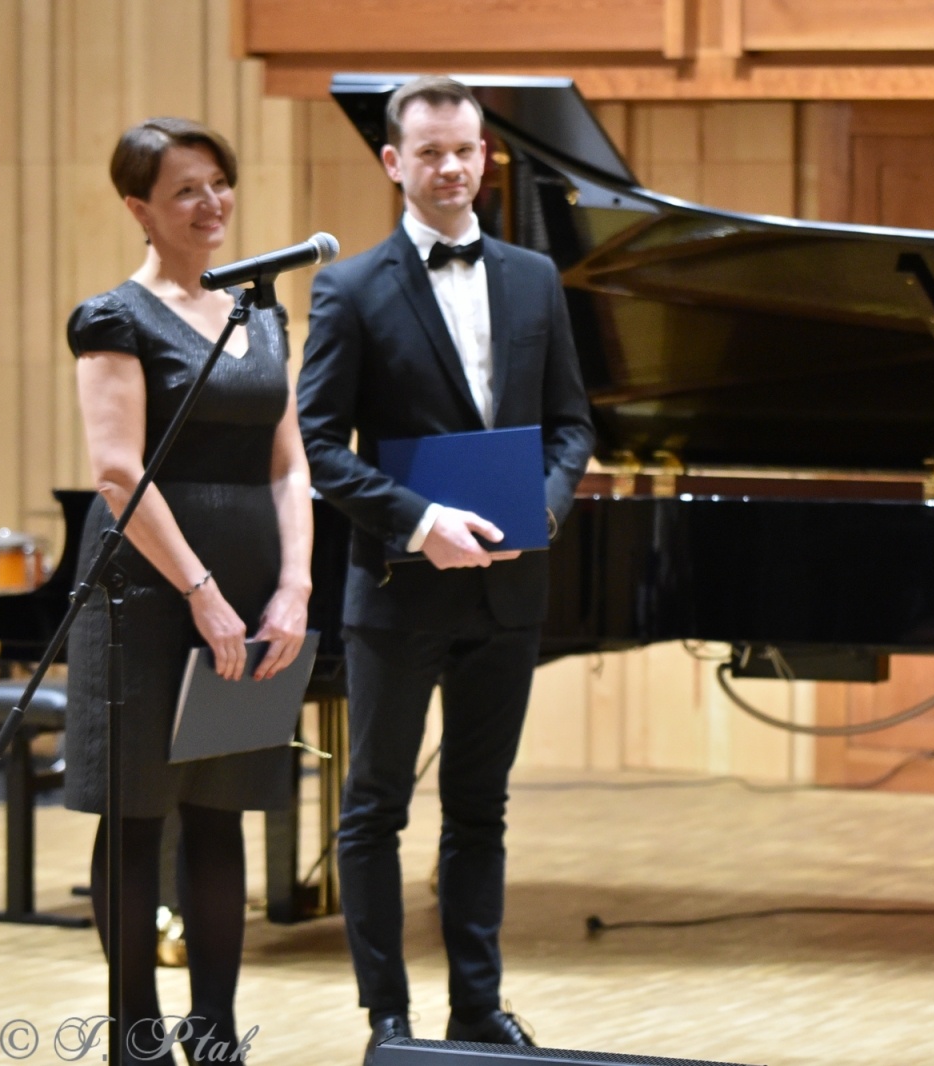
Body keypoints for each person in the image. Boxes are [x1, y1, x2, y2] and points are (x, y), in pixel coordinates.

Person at [296, 75, 594, 1063]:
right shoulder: (348, 288)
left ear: (485, 154)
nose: (452, 166)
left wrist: (540, 509)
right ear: (393, 162)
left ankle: (478, 1006)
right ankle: (387, 1016)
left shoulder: (534, 277)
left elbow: (571, 425)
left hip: (507, 586)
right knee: (375, 804)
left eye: (465, 149)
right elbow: (319, 446)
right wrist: (418, 520)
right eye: (429, 151)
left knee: (481, 805)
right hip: (396, 590)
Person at [65, 117, 313, 1064]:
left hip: (255, 588)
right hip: (145, 591)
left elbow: (289, 465)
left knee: (221, 804)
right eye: (185, 191)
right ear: (140, 209)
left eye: (220, 183)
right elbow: (119, 473)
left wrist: (291, 586)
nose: (212, 205)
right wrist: (203, 594)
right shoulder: (112, 317)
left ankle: (216, 1038)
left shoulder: (263, 315)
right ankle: (138, 1039)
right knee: (139, 815)